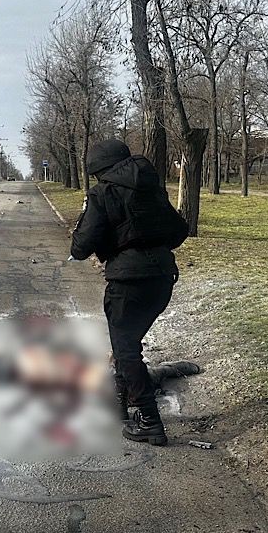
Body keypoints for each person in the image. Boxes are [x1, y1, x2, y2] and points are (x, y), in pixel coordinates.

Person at [69, 139, 187, 446]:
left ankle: (149, 420)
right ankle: (120, 403)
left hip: (128, 282)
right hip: (162, 279)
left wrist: (95, 227)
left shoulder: (102, 194)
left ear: (99, 170)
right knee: (127, 345)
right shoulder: (152, 188)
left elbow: (80, 247)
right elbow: (179, 231)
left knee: (126, 350)